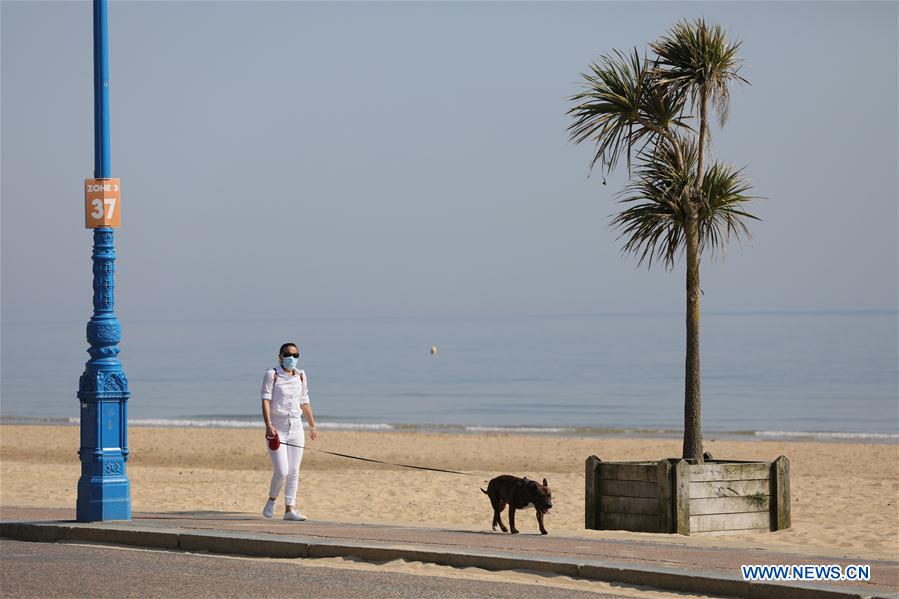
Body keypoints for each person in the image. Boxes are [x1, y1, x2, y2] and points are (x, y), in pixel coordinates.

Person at [260, 342, 318, 520]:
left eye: (295, 355)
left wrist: (312, 425)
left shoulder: (301, 376)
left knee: (294, 471)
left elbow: (304, 401)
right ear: (280, 356)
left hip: (296, 427)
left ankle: (289, 509)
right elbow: (265, 400)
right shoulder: (272, 374)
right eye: (287, 354)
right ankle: (271, 500)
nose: (291, 358)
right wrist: (269, 425)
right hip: (277, 427)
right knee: (282, 471)